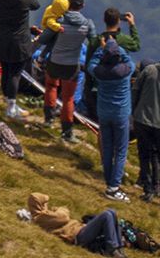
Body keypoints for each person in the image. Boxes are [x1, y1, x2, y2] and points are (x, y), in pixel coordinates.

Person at [0, 0, 40, 119]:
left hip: (3, 39)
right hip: (19, 42)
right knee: (15, 73)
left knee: (5, 69)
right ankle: (11, 107)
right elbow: (36, 4)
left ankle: (7, 99)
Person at [95, 26, 136, 201]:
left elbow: (92, 63)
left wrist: (102, 47)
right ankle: (114, 187)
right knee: (120, 150)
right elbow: (130, 61)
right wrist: (116, 46)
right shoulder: (126, 71)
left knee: (107, 147)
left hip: (103, 112)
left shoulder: (98, 71)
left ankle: (108, 180)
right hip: (121, 114)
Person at [48, 0, 95, 142]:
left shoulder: (59, 20)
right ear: (82, 6)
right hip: (72, 64)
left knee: (51, 87)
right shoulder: (87, 24)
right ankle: (67, 133)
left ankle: (48, 120)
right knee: (68, 99)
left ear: (68, 4)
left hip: (55, 60)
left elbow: (46, 37)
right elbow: (93, 44)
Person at [23, 192, 129, 254]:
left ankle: (118, 248)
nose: (47, 204)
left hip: (80, 229)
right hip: (77, 235)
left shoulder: (45, 214)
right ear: (38, 204)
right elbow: (64, 215)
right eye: (44, 203)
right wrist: (58, 209)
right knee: (106, 215)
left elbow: (62, 214)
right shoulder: (41, 217)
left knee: (112, 212)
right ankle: (112, 247)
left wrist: (56, 210)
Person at [133, 58, 160, 201]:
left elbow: (135, 90)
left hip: (142, 119)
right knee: (156, 156)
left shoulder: (149, 70)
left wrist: (134, 111)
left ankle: (148, 189)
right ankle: (157, 186)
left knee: (144, 155)